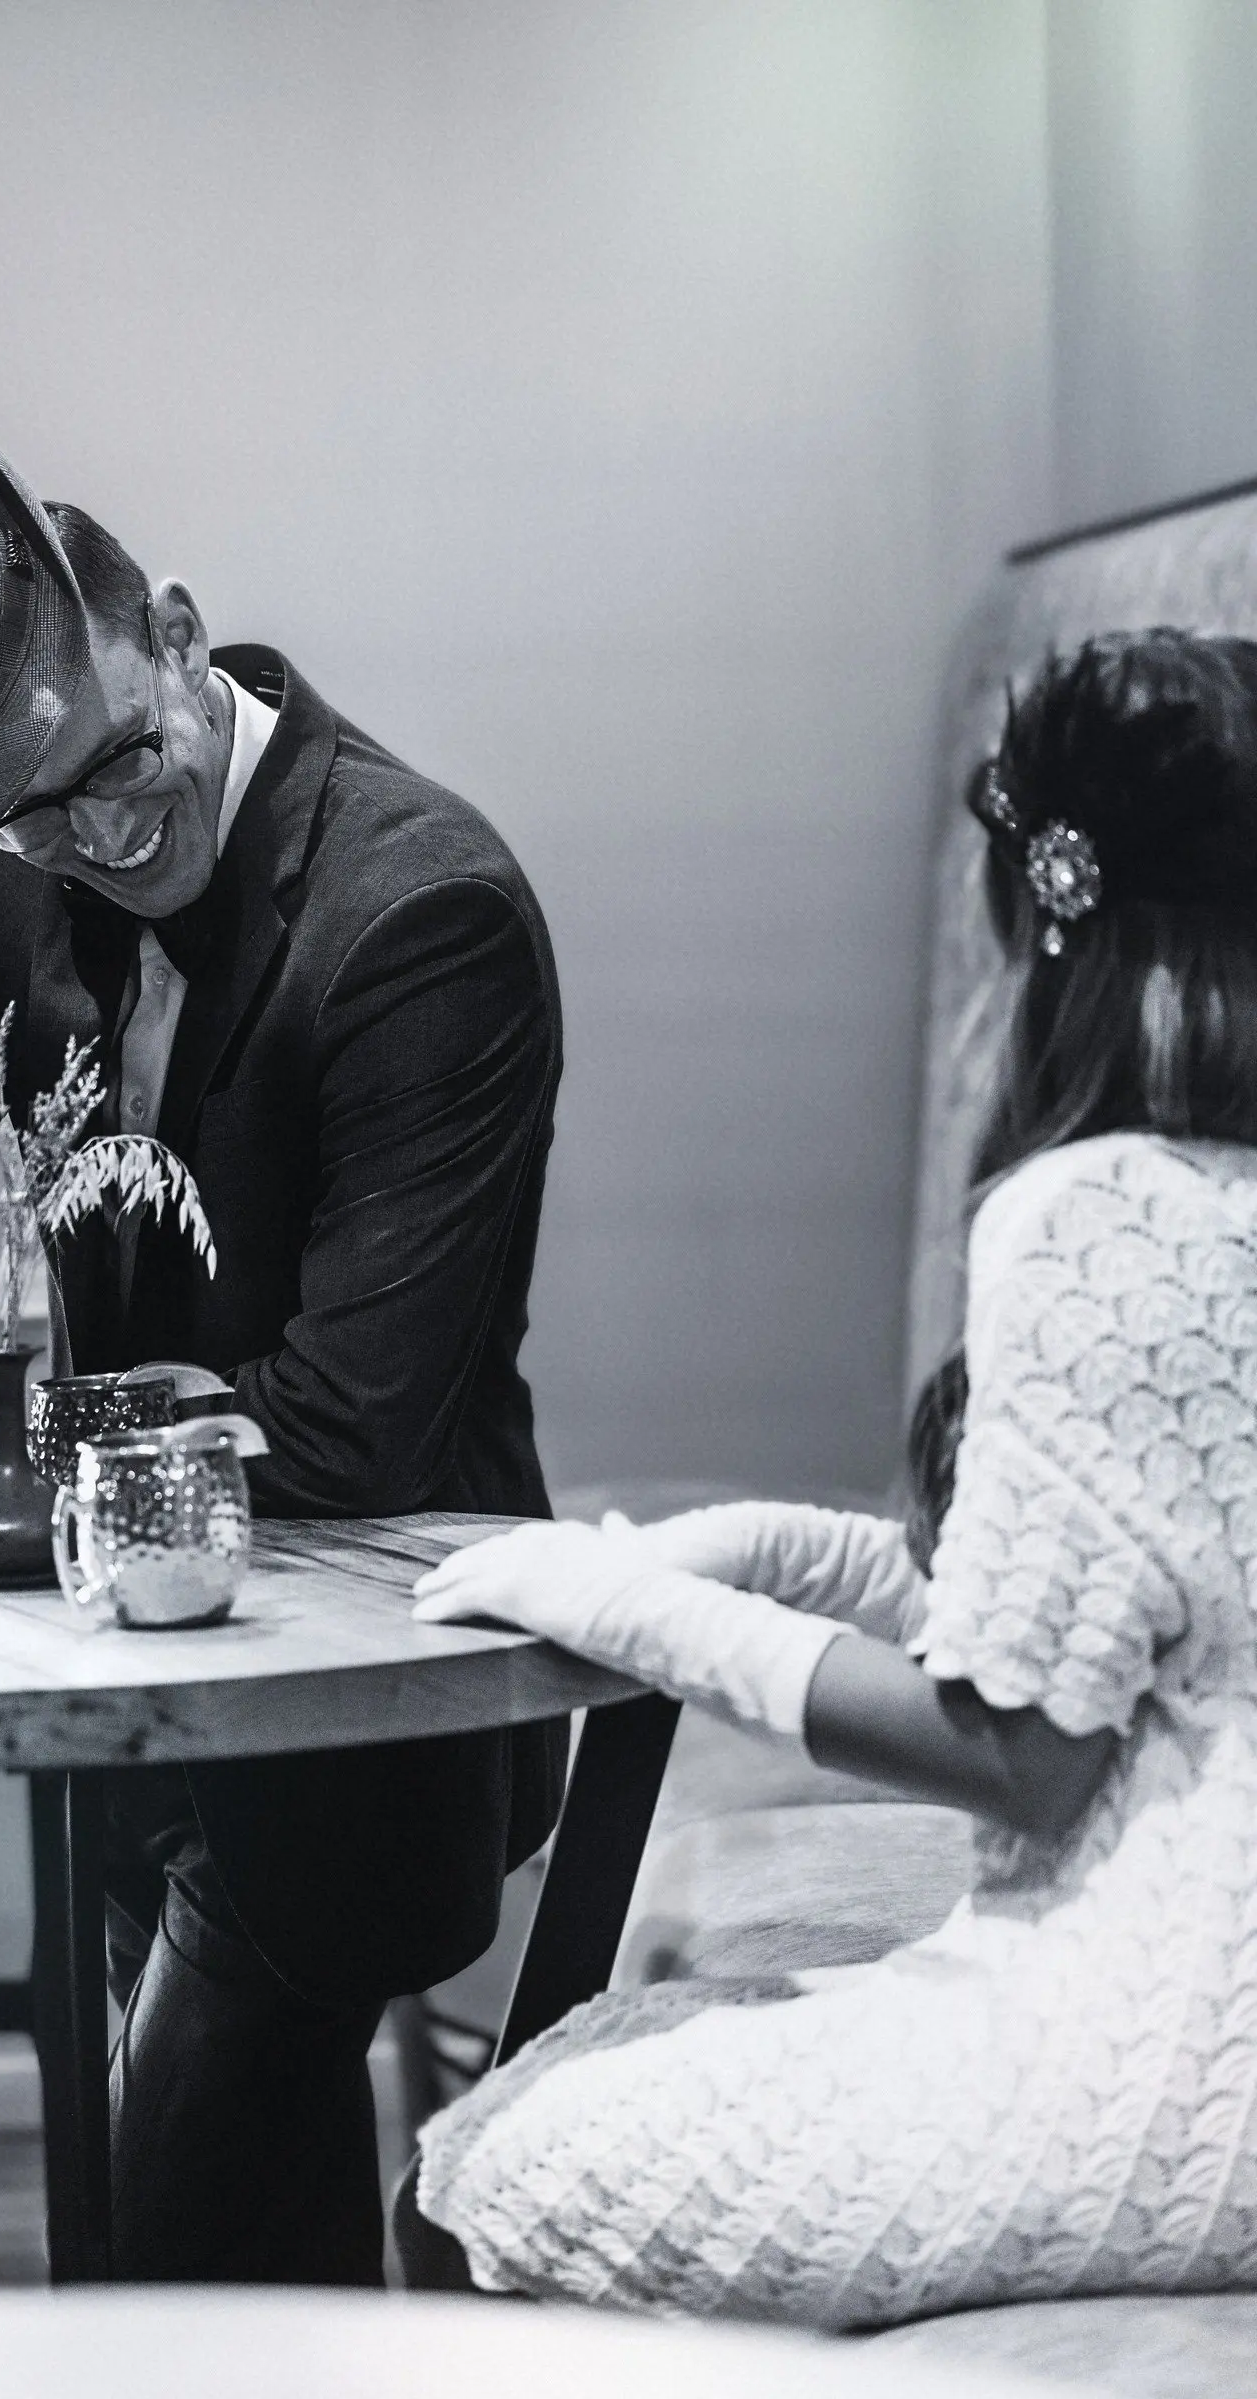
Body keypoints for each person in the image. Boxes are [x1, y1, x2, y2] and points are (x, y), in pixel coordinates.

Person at [0, 424, 566, 2285]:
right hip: (131, 1719)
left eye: (120, 767)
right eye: (37, 823)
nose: (101, 841)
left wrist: (41, 1450)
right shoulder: (31, 856)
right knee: (212, 2277)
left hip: (371, 1728)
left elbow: (352, 1433)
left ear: (182, 638)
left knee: (155, 2244)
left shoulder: (424, 913)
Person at [402, 627, 1257, 2325]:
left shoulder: (1099, 1214)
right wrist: (790, 1555)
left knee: (482, 2166)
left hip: (1168, 2073)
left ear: (1047, 917)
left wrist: (643, 1614)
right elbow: (1146, 1611)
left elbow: (1020, 1751)